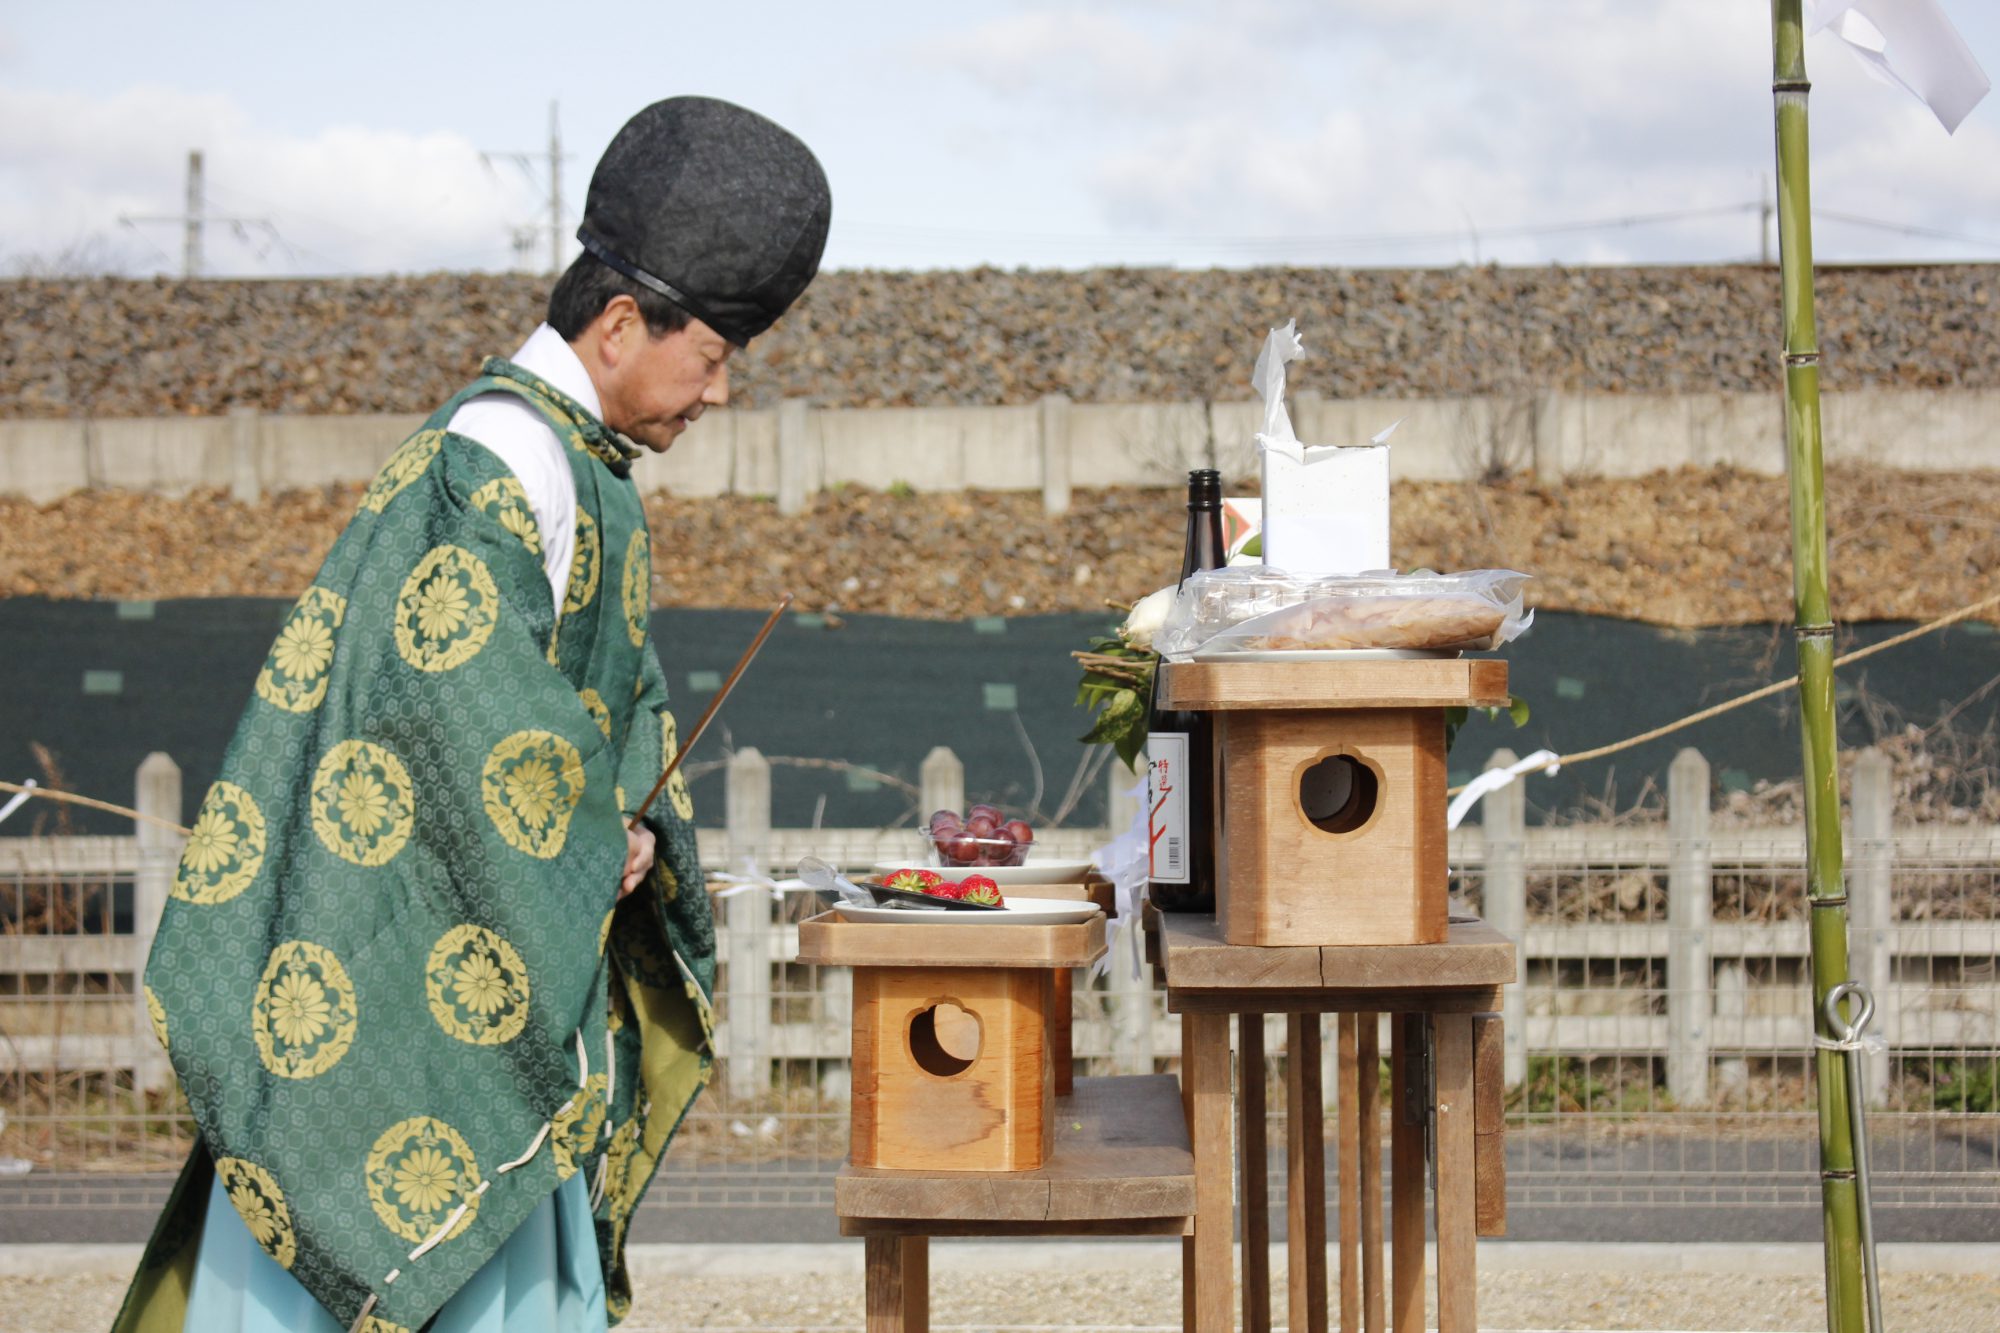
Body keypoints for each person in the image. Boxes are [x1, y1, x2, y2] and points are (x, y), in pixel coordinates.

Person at [112, 96, 830, 1333]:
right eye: (711, 359)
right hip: (393, 994)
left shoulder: (561, 462)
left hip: (480, 969)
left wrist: (617, 832)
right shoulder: (496, 461)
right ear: (618, 325)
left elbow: (551, 724)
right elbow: (462, 724)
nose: (716, 394)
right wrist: (591, 838)